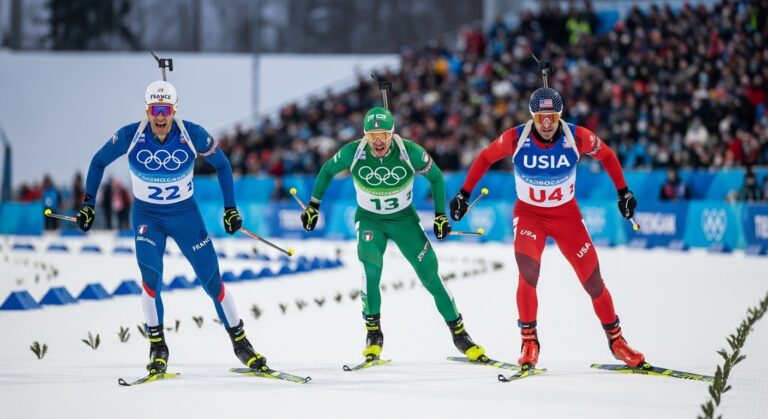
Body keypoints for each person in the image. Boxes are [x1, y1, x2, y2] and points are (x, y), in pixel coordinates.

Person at [76, 80, 267, 375]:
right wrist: (88, 204)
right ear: (148, 111)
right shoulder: (131, 135)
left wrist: (230, 209)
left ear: (174, 109)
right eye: (155, 110)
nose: (160, 117)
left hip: (185, 216)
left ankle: (241, 344)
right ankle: (158, 347)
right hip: (147, 218)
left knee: (212, 280)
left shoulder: (193, 134)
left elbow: (223, 165)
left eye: (165, 109)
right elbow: (98, 161)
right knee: (151, 279)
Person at [449, 87, 644, 369]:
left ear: (560, 115)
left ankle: (616, 341)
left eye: (552, 116)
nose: (547, 123)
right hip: (530, 216)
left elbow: (608, 156)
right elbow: (485, 158)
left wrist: (624, 193)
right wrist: (464, 195)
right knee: (528, 274)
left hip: (566, 215)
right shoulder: (517, 137)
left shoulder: (576, 136)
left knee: (593, 281)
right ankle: (529, 340)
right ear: (532, 116)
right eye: (541, 117)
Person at [301, 107, 486, 362]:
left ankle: (460, 334)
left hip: (404, 220)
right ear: (365, 135)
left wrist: (441, 215)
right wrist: (313, 205)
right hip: (370, 221)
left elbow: (436, 177)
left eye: (384, 135)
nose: (378, 141)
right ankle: (374, 334)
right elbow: (327, 171)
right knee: (371, 271)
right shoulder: (353, 152)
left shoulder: (410, 152)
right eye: (372, 135)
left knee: (430, 275)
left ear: (392, 134)